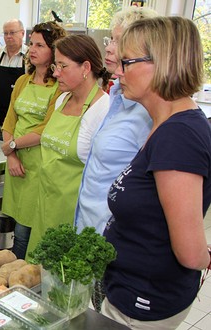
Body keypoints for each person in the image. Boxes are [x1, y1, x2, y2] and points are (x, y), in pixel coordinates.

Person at [102, 16, 211, 329]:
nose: (118, 71)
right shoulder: (164, 124)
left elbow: (191, 254)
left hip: (145, 300)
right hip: (129, 288)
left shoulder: (178, 136)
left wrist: (204, 256)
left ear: (163, 63)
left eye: (127, 62)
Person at [73, 7, 157, 313]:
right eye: (110, 38)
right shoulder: (119, 96)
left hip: (112, 240)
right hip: (89, 229)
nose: (108, 47)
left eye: (118, 41)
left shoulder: (149, 111)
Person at [26, 34, 110, 256]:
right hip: (45, 205)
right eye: (55, 65)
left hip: (75, 214)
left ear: (85, 67)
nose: (55, 73)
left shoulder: (103, 109)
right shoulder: (62, 100)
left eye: (63, 66)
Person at [0, 21, 66, 260]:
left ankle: (22, 274)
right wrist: (12, 155)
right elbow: (9, 121)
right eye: (31, 44)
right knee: (14, 221)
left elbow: (45, 129)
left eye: (40, 45)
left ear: (54, 51)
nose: (32, 49)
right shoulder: (22, 82)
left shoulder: (59, 87)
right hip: (16, 162)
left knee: (26, 227)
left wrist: (13, 146)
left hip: (37, 165)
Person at [0, 19, 27, 128]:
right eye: (5, 33)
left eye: (12, 32)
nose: (8, 36)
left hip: (19, 115)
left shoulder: (30, 56)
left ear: (22, 33)